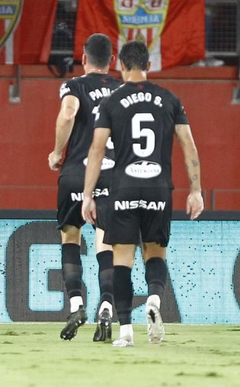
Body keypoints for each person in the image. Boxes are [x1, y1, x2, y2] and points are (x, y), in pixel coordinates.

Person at [80, 39, 204, 348]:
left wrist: (88, 195)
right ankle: (153, 300)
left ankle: (126, 333)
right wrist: (196, 191)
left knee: (122, 260)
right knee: (155, 255)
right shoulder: (170, 99)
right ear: (148, 65)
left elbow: (97, 150)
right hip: (159, 188)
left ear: (120, 65)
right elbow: (188, 145)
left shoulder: (111, 102)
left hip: (123, 188)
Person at [52, 32, 123, 343]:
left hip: (75, 173)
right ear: (111, 60)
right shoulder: (122, 90)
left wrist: (57, 151)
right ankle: (106, 306)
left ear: (83, 59)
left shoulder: (74, 85)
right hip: (110, 174)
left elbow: (68, 114)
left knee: (71, 237)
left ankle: (76, 305)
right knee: (106, 244)